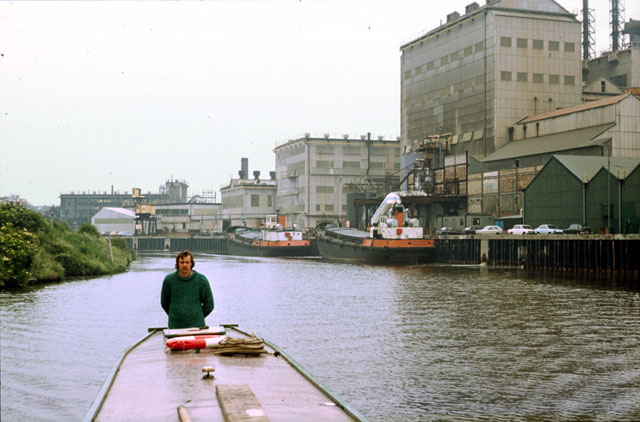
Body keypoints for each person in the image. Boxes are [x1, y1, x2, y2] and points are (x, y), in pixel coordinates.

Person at [161, 250, 214, 329]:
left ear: (191, 264)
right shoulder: (169, 280)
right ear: (178, 264)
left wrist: (197, 316)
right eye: (182, 262)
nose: (184, 265)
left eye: (187, 262)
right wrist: (175, 315)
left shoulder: (201, 280)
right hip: (175, 327)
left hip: (197, 327)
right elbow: (164, 302)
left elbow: (209, 305)